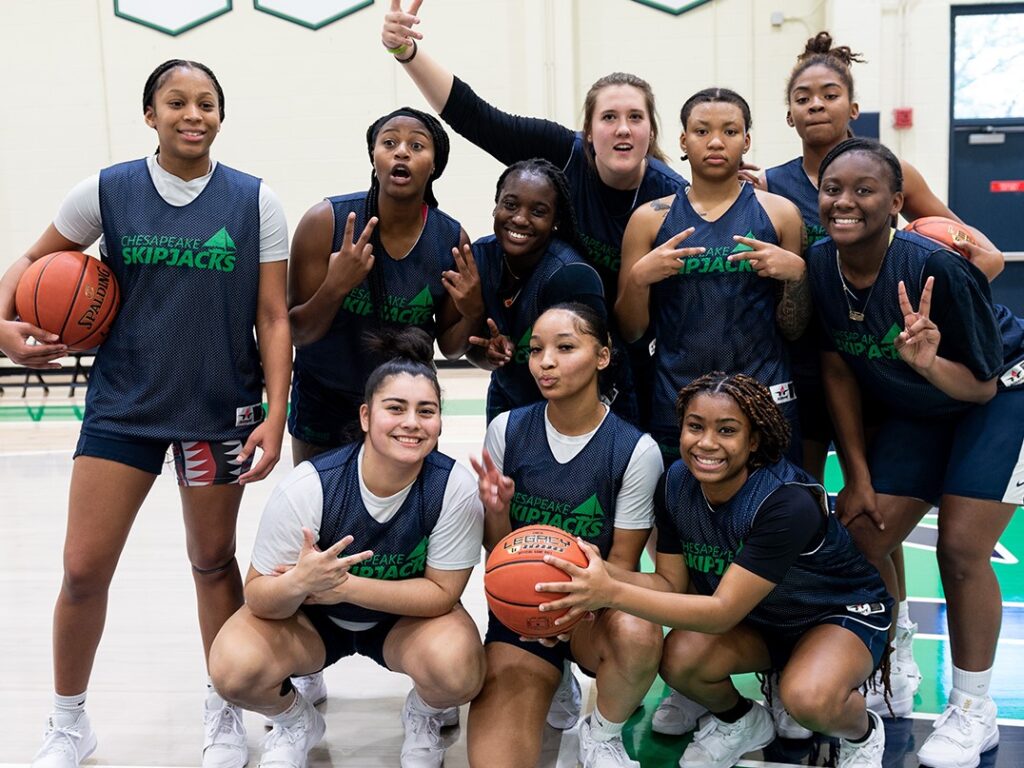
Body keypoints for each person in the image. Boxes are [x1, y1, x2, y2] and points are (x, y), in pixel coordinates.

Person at [0, 60, 291, 768]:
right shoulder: (106, 190)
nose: (194, 114)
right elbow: (33, 261)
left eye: (207, 104)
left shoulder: (256, 201)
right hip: (124, 409)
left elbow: (274, 315)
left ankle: (223, 710)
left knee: (212, 561)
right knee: (82, 570)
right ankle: (69, 721)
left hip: (217, 411)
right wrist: (2, 322)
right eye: (177, 102)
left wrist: (275, 414)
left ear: (221, 115)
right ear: (150, 114)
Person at [537, 372, 894, 768]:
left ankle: (862, 735)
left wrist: (610, 592)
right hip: (763, 619)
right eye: (695, 426)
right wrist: (589, 570)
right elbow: (669, 583)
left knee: (808, 699)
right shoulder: (676, 482)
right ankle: (740, 721)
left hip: (833, 614)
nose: (706, 443)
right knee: (679, 657)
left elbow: (722, 610)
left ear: (753, 440)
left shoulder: (786, 502)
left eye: (727, 430)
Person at [807, 137, 1024, 768]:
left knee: (960, 550)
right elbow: (837, 369)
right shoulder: (822, 264)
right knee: (860, 532)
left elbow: (981, 383)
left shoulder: (940, 268)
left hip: (998, 394)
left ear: (898, 201)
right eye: (832, 189)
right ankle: (887, 649)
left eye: (864, 190)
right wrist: (857, 474)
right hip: (924, 407)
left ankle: (972, 710)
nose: (845, 202)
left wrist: (928, 364)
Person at [381, 0, 687, 426]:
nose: (622, 128)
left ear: (651, 131)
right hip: (550, 361)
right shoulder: (563, 153)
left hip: (637, 357)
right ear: (588, 132)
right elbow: (476, 117)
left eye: (635, 117)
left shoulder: (671, 198)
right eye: (609, 117)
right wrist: (406, 53)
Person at [209, 328, 486, 768]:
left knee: (459, 669)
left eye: (426, 411)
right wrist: (299, 583)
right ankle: (294, 719)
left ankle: (425, 713)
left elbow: (441, 595)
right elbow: (259, 596)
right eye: (395, 408)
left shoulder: (453, 487)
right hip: (312, 621)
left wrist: (343, 587)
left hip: (403, 623)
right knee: (232, 668)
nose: (412, 422)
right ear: (365, 416)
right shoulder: (309, 486)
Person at [762, 31, 1005, 485]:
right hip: (813, 358)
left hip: (881, 359)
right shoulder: (768, 186)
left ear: (853, 109)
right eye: (803, 97)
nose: (816, 104)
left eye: (829, 95)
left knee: (873, 500)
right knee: (806, 491)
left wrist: (965, 276)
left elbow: (985, 254)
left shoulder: (890, 170)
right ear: (790, 115)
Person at [469, 303, 664, 768]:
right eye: (536, 350)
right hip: (521, 618)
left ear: (602, 356)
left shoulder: (636, 450)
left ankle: (603, 731)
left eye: (565, 347)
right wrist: (497, 511)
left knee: (639, 630)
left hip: (592, 616)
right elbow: (500, 553)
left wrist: (574, 610)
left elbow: (622, 567)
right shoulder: (507, 429)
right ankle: (553, 679)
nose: (546, 362)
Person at [288, 107, 480, 463]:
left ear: (435, 164)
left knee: (405, 515)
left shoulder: (450, 239)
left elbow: (451, 349)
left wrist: (471, 312)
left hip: (405, 405)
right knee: (323, 510)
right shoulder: (325, 222)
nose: (402, 152)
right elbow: (298, 332)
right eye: (389, 142)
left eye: (417, 146)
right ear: (374, 156)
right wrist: (335, 285)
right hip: (326, 398)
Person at [469, 159, 604, 423]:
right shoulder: (479, 257)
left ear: (556, 221)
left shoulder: (569, 274)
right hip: (506, 396)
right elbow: (470, 348)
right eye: (510, 205)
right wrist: (490, 354)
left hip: (568, 408)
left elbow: (597, 365)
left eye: (538, 211)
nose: (520, 218)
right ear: (495, 205)